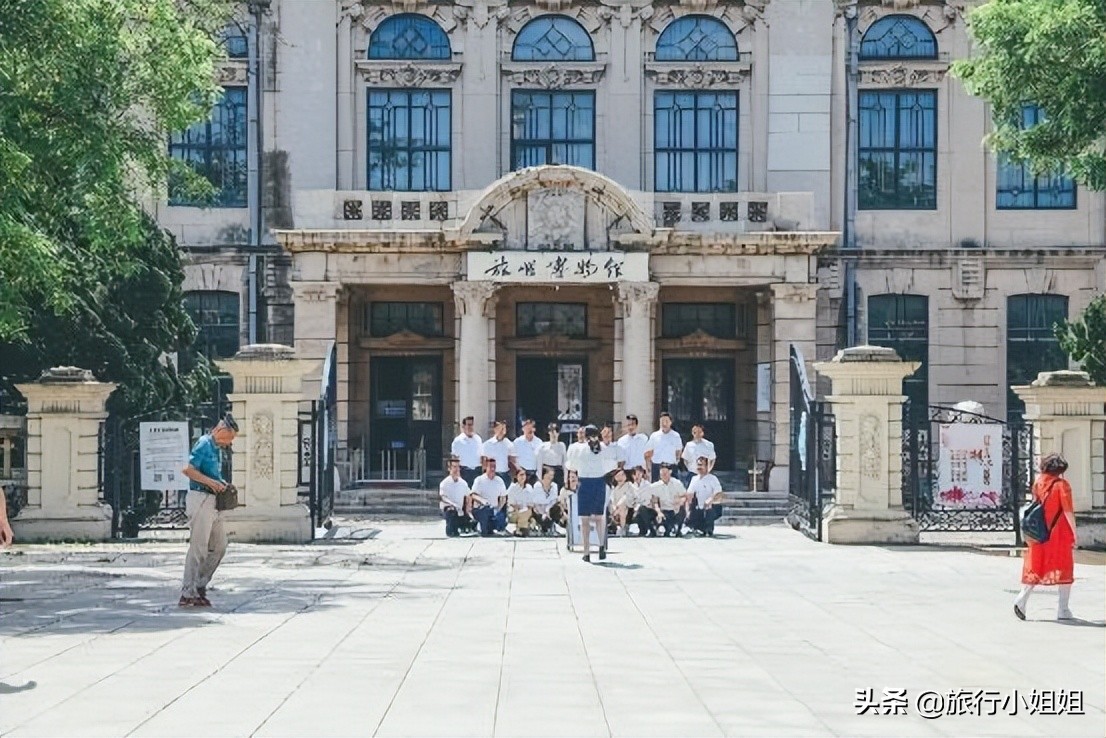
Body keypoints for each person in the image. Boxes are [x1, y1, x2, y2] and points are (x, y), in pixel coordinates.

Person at [179, 413, 238, 607]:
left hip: (214, 501)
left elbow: (211, 472)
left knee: (219, 546)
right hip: (201, 498)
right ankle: (188, 592)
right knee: (198, 547)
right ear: (221, 430)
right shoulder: (204, 444)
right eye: (229, 438)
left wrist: (221, 483)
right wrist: (211, 483)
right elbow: (188, 470)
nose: (229, 443)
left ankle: (200, 584)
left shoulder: (217, 449)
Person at [1014, 452, 1079, 621]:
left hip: (1039, 533)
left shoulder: (1038, 482)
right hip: (1059, 534)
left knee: (1036, 565)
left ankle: (1022, 599)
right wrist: (1075, 533)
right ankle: (1063, 609)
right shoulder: (1062, 485)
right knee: (1064, 568)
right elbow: (1067, 511)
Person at [567, 425, 618, 562]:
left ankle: (586, 551)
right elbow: (612, 465)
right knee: (599, 516)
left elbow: (571, 466)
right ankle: (601, 545)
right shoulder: (604, 449)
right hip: (599, 482)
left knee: (585, 519)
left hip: (585, 483)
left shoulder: (580, 449)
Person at [686, 456, 725, 536]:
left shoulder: (713, 479)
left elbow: (719, 493)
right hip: (699, 507)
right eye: (698, 465)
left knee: (709, 510)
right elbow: (689, 494)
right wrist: (687, 509)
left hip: (712, 506)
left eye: (701, 465)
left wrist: (711, 499)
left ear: (707, 466)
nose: (699, 467)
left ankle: (709, 529)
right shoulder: (694, 479)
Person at [471, 458, 508, 536]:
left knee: (500, 519)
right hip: (482, 509)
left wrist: (498, 509)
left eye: (494, 466)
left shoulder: (499, 481)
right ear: (485, 467)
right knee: (485, 531)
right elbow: (473, 495)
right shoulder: (479, 480)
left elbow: (503, 498)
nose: (492, 468)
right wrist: (482, 500)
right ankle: (480, 526)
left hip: (495, 509)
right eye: (490, 466)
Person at [439, 457, 473, 537]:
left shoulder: (463, 483)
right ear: (449, 468)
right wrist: (454, 505)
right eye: (454, 467)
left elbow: (468, 497)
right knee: (451, 513)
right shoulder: (444, 483)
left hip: (461, 511)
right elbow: (443, 498)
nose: (456, 469)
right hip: (450, 510)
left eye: (458, 467)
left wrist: (469, 511)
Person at [651, 462, 687, 537]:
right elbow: (654, 502)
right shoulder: (655, 486)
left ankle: (678, 528)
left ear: (670, 472)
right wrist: (659, 512)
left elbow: (684, 496)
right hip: (664, 510)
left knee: (682, 511)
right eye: (662, 473)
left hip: (675, 509)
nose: (663, 475)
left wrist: (679, 502)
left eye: (665, 473)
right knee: (667, 530)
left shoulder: (677, 483)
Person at [644, 412, 683, 482]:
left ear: (670, 422)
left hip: (671, 466)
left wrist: (676, 461)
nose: (664, 424)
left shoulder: (675, 436)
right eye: (662, 421)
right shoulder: (654, 436)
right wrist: (648, 467)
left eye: (666, 421)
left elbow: (678, 451)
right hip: (657, 466)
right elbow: (648, 452)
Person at [451, 416, 483, 487]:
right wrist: (456, 473)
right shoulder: (457, 441)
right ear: (463, 426)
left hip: (477, 472)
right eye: (468, 425)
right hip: (464, 472)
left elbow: (481, 457)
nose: (470, 427)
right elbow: (454, 459)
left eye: (471, 425)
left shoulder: (478, 439)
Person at [482, 420, 513, 486]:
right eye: (500, 428)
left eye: (504, 428)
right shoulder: (487, 445)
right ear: (495, 429)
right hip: (492, 475)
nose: (502, 431)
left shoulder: (509, 444)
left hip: (505, 475)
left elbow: (511, 461)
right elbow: (484, 462)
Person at [506, 468, 535, 537]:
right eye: (521, 475)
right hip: (514, 512)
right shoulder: (512, 488)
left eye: (524, 475)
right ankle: (523, 529)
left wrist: (526, 509)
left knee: (526, 513)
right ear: (517, 476)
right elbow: (512, 503)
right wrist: (520, 509)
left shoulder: (529, 488)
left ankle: (520, 530)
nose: (523, 477)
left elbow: (531, 504)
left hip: (526, 511)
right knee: (523, 514)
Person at [608, 467, 637, 537]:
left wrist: (619, 505)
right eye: (618, 476)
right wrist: (615, 507)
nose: (620, 477)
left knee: (622, 505)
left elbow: (631, 497)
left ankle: (622, 528)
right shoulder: (615, 489)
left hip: (629, 508)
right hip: (616, 510)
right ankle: (618, 526)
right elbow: (612, 500)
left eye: (622, 475)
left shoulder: (629, 485)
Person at [538, 423, 567, 489]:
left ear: (558, 433)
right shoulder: (543, 446)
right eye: (551, 431)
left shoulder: (562, 446)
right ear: (549, 432)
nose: (554, 433)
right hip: (546, 472)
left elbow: (564, 463)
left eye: (556, 431)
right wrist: (540, 478)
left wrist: (565, 479)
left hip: (558, 473)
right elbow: (539, 463)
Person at [532, 466, 559, 535]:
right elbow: (536, 503)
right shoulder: (537, 486)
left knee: (556, 509)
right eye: (549, 475)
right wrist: (543, 513)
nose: (551, 477)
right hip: (538, 509)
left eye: (552, 475)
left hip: (549, 510)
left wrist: (547, 511)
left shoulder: (554, 486)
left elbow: (553, 501)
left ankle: (551, 527)